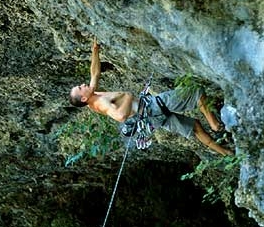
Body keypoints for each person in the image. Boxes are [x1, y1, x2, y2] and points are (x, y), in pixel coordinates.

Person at [69, 38, 234, 156]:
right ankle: (214, 124)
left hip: (153, 119)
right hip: (153, 106)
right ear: (83, 98)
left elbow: (95, 73)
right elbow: (120, 116)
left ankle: (225, 153)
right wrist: (128, 96)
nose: (83, 85)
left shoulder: (92, 98)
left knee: (195, 127)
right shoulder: (101, 102)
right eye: (80, 88)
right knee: (197, 92)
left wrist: (95, 52)